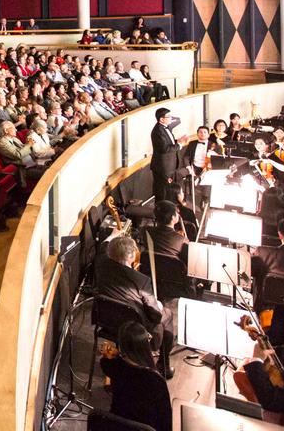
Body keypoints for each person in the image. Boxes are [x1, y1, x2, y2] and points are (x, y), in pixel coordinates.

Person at [94, 235, 174, 378]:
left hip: (106, 322)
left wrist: (113, 235)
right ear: (131, 256)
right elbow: (155, 316)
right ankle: (164, 365)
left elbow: (102, 247)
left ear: (109, 253)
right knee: (167, 314)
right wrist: (159, 306)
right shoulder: (142, 280)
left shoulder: (101, 264)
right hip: (134, 330)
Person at [94, 321, 171, 431]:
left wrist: (114, 353)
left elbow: (105, 360)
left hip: (117, 426)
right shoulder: (157, 380)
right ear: (145, 346)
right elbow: (166, 421)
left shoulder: (113, 366)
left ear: (121, 346)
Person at [149, 107, 181, 203]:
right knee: (162, 192)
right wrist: (179, 145)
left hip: (169, 166)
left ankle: (169, 207)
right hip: (162, 168)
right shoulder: (158, 131)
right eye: (169, 116)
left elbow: (169, 142)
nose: (171, 118)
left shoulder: (166, 127)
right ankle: (161, 209)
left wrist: (177, 141)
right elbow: (164, 149)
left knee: (169, 192)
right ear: (161, 119)